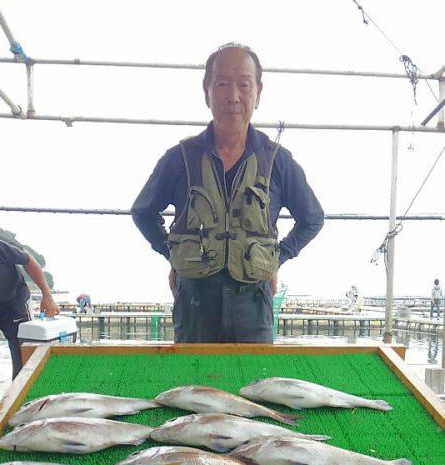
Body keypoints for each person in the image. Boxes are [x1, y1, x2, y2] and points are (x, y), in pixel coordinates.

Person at [132, 43, 324, 343]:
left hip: (253, 303)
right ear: (207, 90)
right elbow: (143, 211)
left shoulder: (278, 160)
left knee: (253, 385)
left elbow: (312, 218)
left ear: (258, 91)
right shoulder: (180, 157)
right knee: (191, 385)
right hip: (194, 300)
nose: (233, 96)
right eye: (222, 84)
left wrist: (278, 257)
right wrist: (170, 251)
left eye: (243, 85)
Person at [0, 237, 59, 378]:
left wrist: (47, 295)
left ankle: (23, 397)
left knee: (24, 360)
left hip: (14, 303)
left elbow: (29, 260)